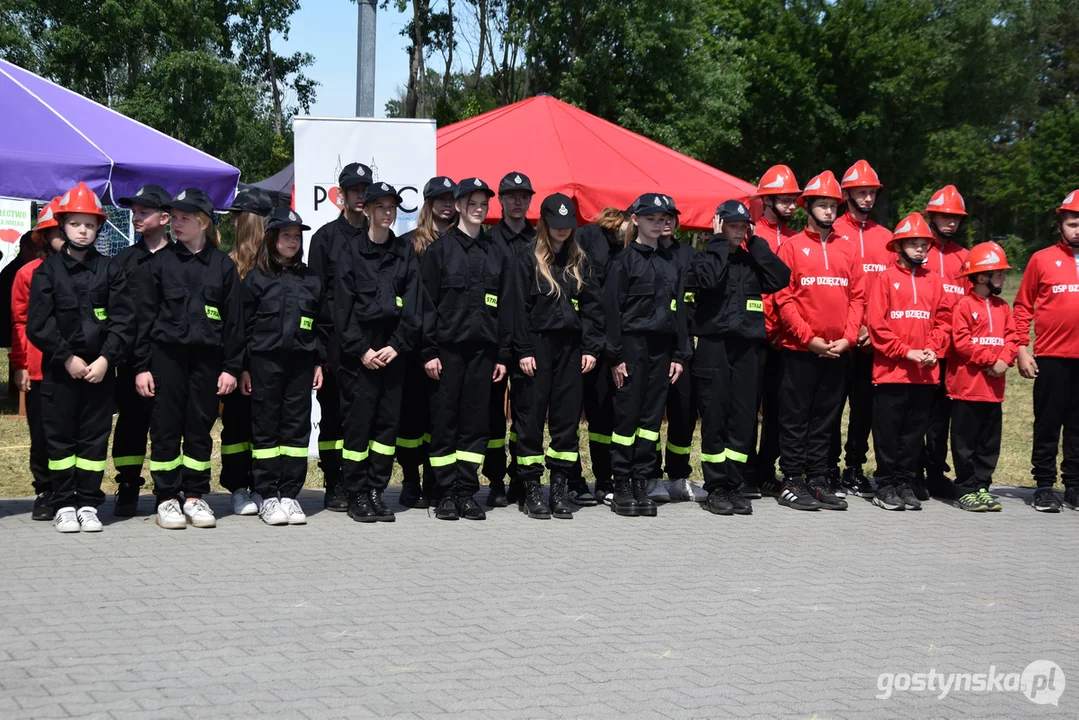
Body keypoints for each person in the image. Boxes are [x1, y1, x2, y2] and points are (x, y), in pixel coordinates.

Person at [134, 188, 243, 530]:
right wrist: (141, 367)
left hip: (207, 362)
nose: (176, 224)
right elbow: (143, 319)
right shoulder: (161, 263)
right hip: (166, 358)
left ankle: (195, 496)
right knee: (166, 427)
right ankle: (166, 497)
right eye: (174, 217)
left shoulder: (223, 267)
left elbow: (235, 323)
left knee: (199, 428)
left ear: (204, 223)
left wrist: (231, 368)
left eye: (184, 218)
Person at [28, 182, 134, 533]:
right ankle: (63, 503)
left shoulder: (110, 270)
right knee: (59, 440)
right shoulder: (47, 272)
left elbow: (124, 320)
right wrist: (67, 358)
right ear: (62, 226)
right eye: (76, 223)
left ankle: (88, 502)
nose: (83, 230)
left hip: (100, 372)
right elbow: (39, 326)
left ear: (99, 227)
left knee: (93, 439)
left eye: (89, 224)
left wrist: (106, 360)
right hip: (62, 372)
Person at [421, 178, 513, 521]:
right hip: (446, 352)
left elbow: (506, 307)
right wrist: (428, 351)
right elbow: (425, 306)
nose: (478, 209)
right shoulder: (439, 251)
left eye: (483, 204)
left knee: (475, 424)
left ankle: (465, 490)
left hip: (483, 353)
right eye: (471, 203)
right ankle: (444, 492)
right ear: (458, 206)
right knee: (445, 421)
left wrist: (503, 354)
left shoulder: (496, 252)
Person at [773, 171, 863, 511]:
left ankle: (818, 478)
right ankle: (792, 480)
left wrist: (848, 338)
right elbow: (784, 300)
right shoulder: (791, 247)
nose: (829, 211)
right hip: (800, 350)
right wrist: (808, 339)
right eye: (822, 205)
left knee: (826, 417)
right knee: (795, 416)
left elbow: (858, 298)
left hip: (838, 351)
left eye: (833, 205)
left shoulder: (848, 249)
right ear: (807, 207)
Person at [693, 200, 791, 515]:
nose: (738, 232)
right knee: (716, 417)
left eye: (742, 227)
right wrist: (719, 241)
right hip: (715, 347)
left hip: (748, 349)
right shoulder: (706, 256)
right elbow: (707, 280)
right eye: (732, 226)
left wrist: (757, 243)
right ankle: (716, 488)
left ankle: (734, 485)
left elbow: (781, 278)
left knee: (743, 418)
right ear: (720, 225)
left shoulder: (753, 261)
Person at [334, 182, 422, 523]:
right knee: (359, 427)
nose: (387, 213)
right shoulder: (350, 253)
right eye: (381, 207)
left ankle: (376, 490)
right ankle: (356, 492)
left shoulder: (404, 252)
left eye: (392, 208)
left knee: (386, 428)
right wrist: (362, 350)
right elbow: (343, 310)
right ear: (366, 210)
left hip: (392, 352)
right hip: (361, 355)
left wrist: (396, 346)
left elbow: (414, 309)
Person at [512, 193, 603, 519]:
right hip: (536, 347)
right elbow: (517, 310)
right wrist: (522, 350)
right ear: (545, 223)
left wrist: (591, 347)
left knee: (566, 422)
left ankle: (560, 488)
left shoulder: (581, 260)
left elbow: (593, 309)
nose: (563, 231)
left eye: (568, 225)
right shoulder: (527, 259)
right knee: (531, 421)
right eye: (557, 224)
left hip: (571, 349)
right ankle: (532, 489)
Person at [604, 193, 689, 517]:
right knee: (627, 417)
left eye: (662, 218)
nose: (658, 223)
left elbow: (679, 309)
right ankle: (622, 482)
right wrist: (615, 356)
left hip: (663, 347)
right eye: (651, 217)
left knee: (651, 420)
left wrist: (680, 354)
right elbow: (612, 311)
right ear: (636, 219)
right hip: (632, 346)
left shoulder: (672, 262)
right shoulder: (623, 261)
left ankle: (642, 480)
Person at [240, 207, 323, 526]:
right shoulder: (256, 279)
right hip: (264, 365)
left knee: (296, 429)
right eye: (286, 235)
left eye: (297, 236)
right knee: (266, 429)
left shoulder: (310, 278)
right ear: (272, 239)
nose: (292, 241)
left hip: (301, 365)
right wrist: (244, 367)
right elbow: (243, 328)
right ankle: (266, 494)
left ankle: (289, 494)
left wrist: (318, 361)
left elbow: (321, 324)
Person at [866, 213, 951, 511]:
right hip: (891, 372)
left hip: (925, 374)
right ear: (899, 246)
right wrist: (905, 351)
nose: (920, 249)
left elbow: (944, 320)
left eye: (924, 244)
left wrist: (932, 348)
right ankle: (886, 485)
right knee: (889, 433)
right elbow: (877, 324)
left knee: (914, 434)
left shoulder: (935, 280)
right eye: (913, 244)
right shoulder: (885, 279)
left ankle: (905, 482)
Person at [308, 162, 372, 511]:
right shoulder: (324, 239)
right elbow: (315, 299)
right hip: (334, 343)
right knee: (333, 416)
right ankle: (335, 482)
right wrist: (319, 354)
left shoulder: (376, 237)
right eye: (355, 190)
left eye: (365, 189)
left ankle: (358, 480)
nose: (361, 195)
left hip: (368, 342)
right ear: (342, 195)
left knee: (363, 416)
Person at [1013, 189, 1079, 512]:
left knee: (1078, 426)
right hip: (1052, 358)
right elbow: (1022, 306)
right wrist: (1021, 350)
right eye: (1073, 222)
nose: (1078, 229)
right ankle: (1044, 485)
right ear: (1060, 226)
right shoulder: (1042, 259)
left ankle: (1075, 485)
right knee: (1048, 423)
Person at [831, 159, 893, 498]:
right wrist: (850, 330)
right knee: (831, 407)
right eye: (862, 192)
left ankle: (854, 467)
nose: (868, 199)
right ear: (847, 194)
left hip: (875, 340)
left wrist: (874, 329)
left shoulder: (886, 238)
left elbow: (891, 289)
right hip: (840, 338)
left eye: (872, 193)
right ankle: (827, 466)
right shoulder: (834, 230)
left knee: (864, 409)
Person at [110, 184, 172, 516]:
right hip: (132, 361)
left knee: (167, 426)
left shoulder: (179, 260)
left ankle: (168, 489)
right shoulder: (122, 261)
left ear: (165, 218)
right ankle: (128, 484)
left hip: (170, 361)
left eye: (143, 211)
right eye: (134, 211)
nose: (136, 216)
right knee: (131, 424)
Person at [396, 176, 457, 508]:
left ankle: (436, 478)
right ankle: (410, 479)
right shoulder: (409, 244)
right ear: (429, 203)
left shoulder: (464, 243)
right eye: (440, 199)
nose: (446, 205)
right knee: (411, 418)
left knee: (440, 418)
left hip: (447, 345)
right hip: (413, 344)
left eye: (451, 199)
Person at [947, 241, 1019, 512]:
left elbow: (1012, 337)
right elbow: (962, 343)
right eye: (999, 273)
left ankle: (982, 486)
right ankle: (965, 487)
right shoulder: (964, 305)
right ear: (981, 277)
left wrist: (1005, 360)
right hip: (967, 388)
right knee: (965, 442)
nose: (1003, 278)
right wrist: (991, 359)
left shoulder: (1002, 307)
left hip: (993, 389)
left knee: (989, 442)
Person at [220, 187, 275, 516]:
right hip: (240, 364)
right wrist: (238, 367)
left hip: (270, 364)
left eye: (237, 217)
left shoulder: (275, 265)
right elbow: (231, 325)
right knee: (238, 428)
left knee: (266, 427)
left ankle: (262, 485)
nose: (234, 222)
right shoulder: (229, 266)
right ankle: (239, 487)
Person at [483, 171, 536, 508]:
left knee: (526, 416)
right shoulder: (487, 242)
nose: (518, 201)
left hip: (532, 344)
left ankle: (522, 477)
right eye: (511, 195)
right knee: (491, 417)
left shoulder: (540, 240)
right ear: (500, 199)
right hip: (494, 344)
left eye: (524, 196)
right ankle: (495, 480)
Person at [571, 207, 628, 506]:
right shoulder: (587, 238)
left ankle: (604, 479)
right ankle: (572, 479)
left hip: (606, 348)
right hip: (577, 344)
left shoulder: (627, 249)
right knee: (567, 418)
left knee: (602, 417)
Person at [649, 195, 703, 503]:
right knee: (652, 413)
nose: (667, 220)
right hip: (653, 345)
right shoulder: (644, 253)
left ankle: (679, 474)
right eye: (660, 216)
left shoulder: (689, 255)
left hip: (683, 345)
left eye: (671, 215)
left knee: (684, 411)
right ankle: (651, 475)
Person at [10, 198, 62, 520]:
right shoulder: (28, 274)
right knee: (41, 434)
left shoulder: (96, 270)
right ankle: (44, 491)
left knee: (74, 433)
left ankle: (72, 490)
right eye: (55, 229)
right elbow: (18, 322)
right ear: (43, 236)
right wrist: (20, 365)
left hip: (78, 370)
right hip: (40, 369)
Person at [752, 164, 801, 498]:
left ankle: (767, 469)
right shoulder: (753, 234)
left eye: (793, 199)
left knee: (779, 409)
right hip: (757, 334)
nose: (791, 205)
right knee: (748, 407)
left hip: (787, 337)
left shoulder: (797, 239)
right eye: (784, 199)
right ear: (767, 200)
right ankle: (746, 470)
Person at [920, 184, 971, 500]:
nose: (951, 223)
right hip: (920, 350)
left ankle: (936, 472)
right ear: (933, 216)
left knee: (941, 417)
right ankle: (911, 471)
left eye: (956, 219)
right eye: (946, 216)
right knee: (916, 416)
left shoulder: (965, 257)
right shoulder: (917, 250)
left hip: (953, 352)